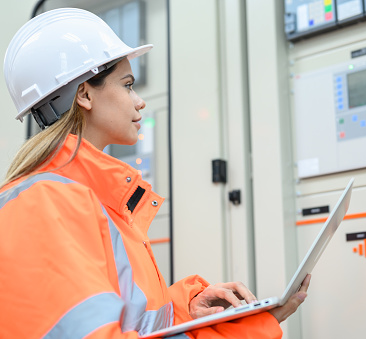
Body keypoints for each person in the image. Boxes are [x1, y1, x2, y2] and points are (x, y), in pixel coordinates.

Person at [0, 8, 310, 339]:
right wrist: (244, 331)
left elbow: (128, 319)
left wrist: (186, 309)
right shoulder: (47, 205)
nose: (139, 101)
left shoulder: (88, 199)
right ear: (85, 94)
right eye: (128, 85)